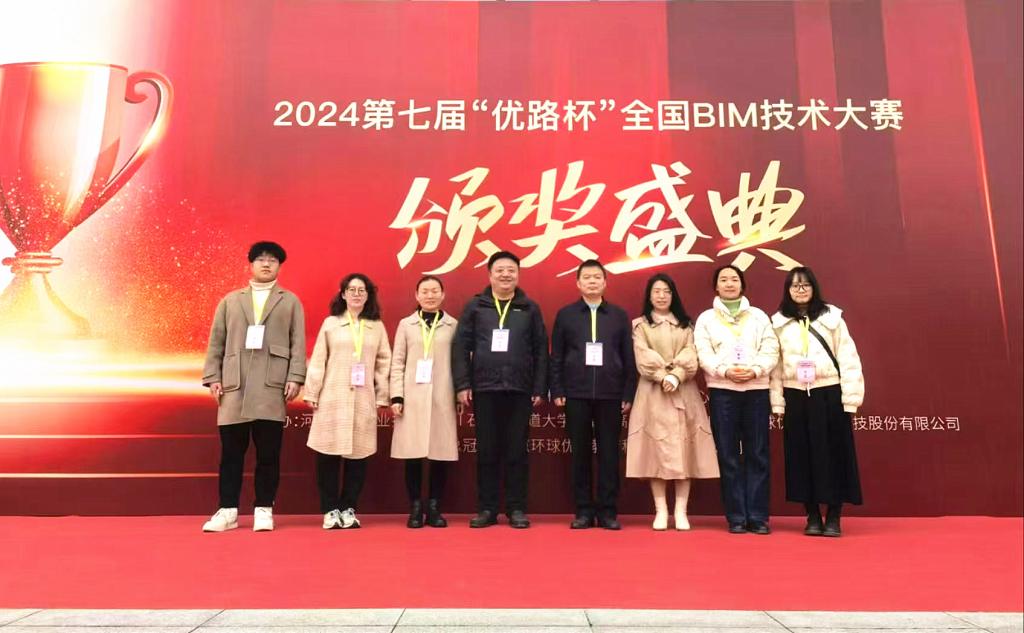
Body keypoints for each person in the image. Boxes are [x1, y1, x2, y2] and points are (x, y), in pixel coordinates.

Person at [201, 241, 306, 533]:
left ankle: (264, 509)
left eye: (272, 260)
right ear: (251, 265)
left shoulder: (290, 301)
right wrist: (213, 376)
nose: (266, 264)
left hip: (272, 386)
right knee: (231, 455)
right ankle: (228, 511)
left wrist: (296, 376)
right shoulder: (231, 300)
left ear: (279, 266)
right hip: (234, 385)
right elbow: (216, 341)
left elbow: (298, 342)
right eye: (260, 259)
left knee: (268, 454)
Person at [453, 251, 548, 529]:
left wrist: (539, 386)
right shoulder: (476, 307)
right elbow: (461, 347)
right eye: (500, 270)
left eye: (511, 270)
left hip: (520, 389)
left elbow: (541, 350)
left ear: (518, 274)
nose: (506, 275)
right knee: (487, 451)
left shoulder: (529, 308)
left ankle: (517, 508)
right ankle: (487, 508)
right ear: (490, 274)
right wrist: (463, 384)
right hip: (484, 388)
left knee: (517, 451)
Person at [770, 266, 864, 537]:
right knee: (801, 457)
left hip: (829, 392)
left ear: (814, 288)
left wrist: (851, 400)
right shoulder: (778, 322)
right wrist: (777, 403)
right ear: (787, 290)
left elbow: (848, 359)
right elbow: (775, 367)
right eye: (795, 285)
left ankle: (834, 516)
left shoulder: (832, 318)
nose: (800, 290)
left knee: (835, 455)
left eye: (806, 285)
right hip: (795, 395)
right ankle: (811, 516)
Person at [627, 273, 720, 530]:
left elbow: (691, 353)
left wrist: (677, 375)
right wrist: (662, 375)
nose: (661, 296)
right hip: (653, 393)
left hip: (683, 391)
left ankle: (681, 510)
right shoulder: (640, 325)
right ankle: (661, 510)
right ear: (649, 296)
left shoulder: (686, 325)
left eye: (666, 291)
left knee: (684, 451)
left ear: (673, 295)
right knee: (655, 452)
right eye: (656, 291)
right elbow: (642, 356)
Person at [550, 260, 636, 530]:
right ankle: (584, 510)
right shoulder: (566, 314)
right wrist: (558, 388)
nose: (592, 281)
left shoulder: (619, 315)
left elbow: (628, 356)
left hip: (611, 394)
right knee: (580, 454)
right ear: (578, 283)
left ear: (605, 282)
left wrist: (628, 392)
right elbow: (557, 356)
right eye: (586, 277)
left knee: (609, 454)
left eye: (597, 277)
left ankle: (608, 511)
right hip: (576, 393)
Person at [694, 265, 779, 534]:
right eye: (724, 280)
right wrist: (724, 371)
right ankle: (736, 517)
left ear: (742, 285)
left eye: (734, 279)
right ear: (716, 286)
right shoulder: (706, 318)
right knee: (728, 455)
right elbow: (703, 352)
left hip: (756, 391)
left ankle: (758, 517)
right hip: (723, 391)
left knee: (758, 454)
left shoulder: (759, 316)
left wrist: (756, 370)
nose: (729, 283)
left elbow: (771, 348)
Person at [304, 273, 391, 530]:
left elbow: (384, 363)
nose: (356, 294)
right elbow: (318, 359)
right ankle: (330, 509)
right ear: (343, 294)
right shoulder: (331, 323)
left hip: (363, 398)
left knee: (358, 454)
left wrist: (382, 395)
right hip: (332, 396)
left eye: (361, 290)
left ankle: (349, 507)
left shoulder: (376, 326)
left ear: (368, 296)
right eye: (351, 290)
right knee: (327, 454)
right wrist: (312, 392)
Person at [389, 275, 459, 528]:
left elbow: (460, 363)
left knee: (441, 453)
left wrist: (459, 393)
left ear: (443, 295)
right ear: (416, 296)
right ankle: (416, 507)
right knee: (413, 453)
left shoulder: (453, 325)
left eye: (435, 291)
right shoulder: (406, 325)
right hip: (412, 397)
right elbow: (397, 362)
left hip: (443, 395)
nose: (430, 296)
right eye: (425, 291)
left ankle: (435, 507)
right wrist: (396, 395)